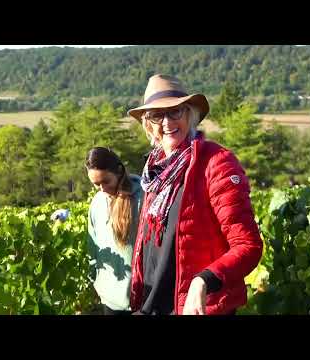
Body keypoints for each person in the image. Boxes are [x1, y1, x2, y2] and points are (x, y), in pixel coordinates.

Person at [127, 74, 263, 315]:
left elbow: (247, 245)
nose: (166, 122)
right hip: (151, 306)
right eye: (157, 115)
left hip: (196, 308)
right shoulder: (155, 171)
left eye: (175, 112)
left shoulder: (216, 163)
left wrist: (203, 281)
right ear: (148, 124)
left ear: (190, 114)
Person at [86, 147, 143, 315]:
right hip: (110, 300)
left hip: (142, 297)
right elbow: (93, 246)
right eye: (96, 184)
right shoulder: (97, 203)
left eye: (106, 181)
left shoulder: (143, 198)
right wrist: (96, 280)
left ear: (119, 172)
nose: (102, 189)